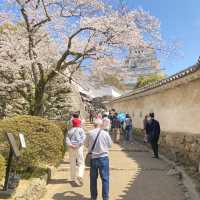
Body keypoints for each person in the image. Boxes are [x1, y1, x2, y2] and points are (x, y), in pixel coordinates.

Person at [85, 118, 112, 200]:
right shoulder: (105, 133)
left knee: (93, 179)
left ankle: (93, 197)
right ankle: (105, 198)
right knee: (105, 179)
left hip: (93, 158)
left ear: (94, 125)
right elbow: (110, 145)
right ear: (101, 125)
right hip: (103, 158)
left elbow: (86, 144)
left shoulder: (89, 133)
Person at [66, 118, 86, 186]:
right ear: (79, 123)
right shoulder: (81, 130)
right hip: (79, 148)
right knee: (81, 163)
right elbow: (83, 139)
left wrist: (71, 145)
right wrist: (78, 145)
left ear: (73, 124)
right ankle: (80, 175)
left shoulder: (70, 130)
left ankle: (72, 178)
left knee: (72, 163)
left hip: (71, 148)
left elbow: (67, 139)